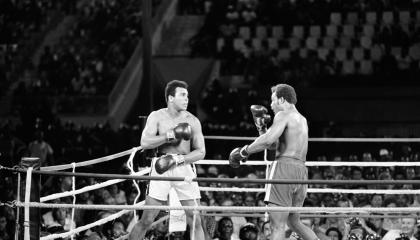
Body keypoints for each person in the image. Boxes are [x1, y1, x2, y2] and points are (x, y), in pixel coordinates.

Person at [229, 84, 319, 240]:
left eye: (273, 100)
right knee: (294, 222)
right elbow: (272, 144)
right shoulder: (302, 119)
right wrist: (261, 127)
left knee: (277, 226)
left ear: (282, 99)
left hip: (283, 169)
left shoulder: (283, 115)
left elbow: (268, 141)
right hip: (301, 172)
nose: (270, 105)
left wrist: (243, 151)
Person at [129, 80, 206, 240]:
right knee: (147, 220)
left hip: (183, 166)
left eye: (188, 95)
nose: (187, 99)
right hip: (160, 166)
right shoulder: (156, 117)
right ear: (171, 98)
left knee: (196, 220)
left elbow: (201, 152)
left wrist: (178, 160)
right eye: (182, 95)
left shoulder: (192, 120)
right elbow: (145, 142)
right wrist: (170, 135)